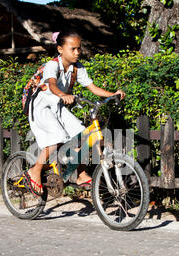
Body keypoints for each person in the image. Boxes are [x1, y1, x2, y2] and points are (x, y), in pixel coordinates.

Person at [24, 30, 125, 196]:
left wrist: (112, 94)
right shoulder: (52, 65)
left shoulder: (78, 68)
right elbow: (51, 85)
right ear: (60, 49)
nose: (77, 52)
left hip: (58, 106)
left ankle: (80, 174)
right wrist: (63, 95)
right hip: (41, 106)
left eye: (79, 48)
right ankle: (35, 171)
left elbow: (93, 88)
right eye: (73, 49)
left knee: (83, 134)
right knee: (56, 136)